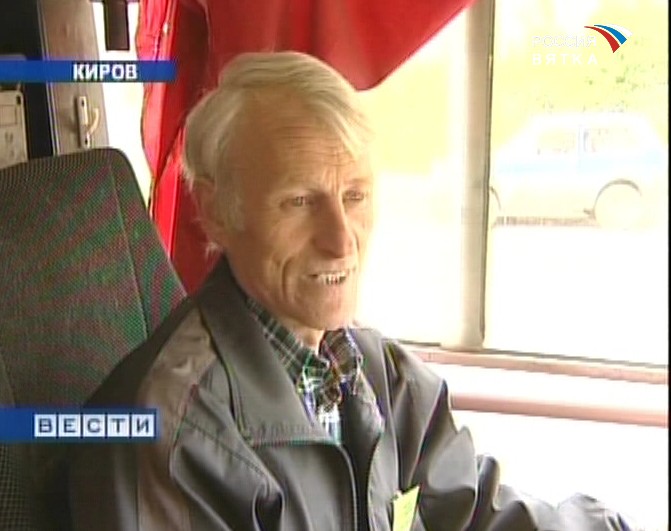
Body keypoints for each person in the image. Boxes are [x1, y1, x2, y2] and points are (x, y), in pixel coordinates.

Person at [67, 51, 639, 531]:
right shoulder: (174, 433)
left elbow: (473, 511)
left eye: (355, 197)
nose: (342, 241)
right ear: (217, 211)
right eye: (299, 202)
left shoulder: (376, 373)